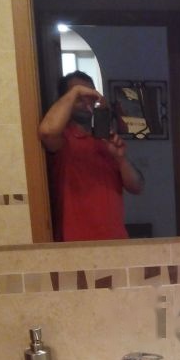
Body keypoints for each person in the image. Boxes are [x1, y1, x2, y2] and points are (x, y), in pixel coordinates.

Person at [38, 70, 144, 241]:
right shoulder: (63, 139)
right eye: (79, 96)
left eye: (90, 94)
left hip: (116, 242)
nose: (86, 100)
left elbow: (137, 187)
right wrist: (76, 91)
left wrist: (121, 159)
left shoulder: (107, 141)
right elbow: (47, 131)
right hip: (76, 244)